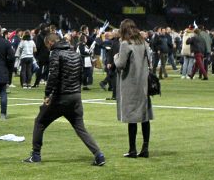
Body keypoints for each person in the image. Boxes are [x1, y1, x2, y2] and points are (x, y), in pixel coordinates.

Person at [23, 32, 105, 166]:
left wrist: (47, 94)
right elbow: (80, 75)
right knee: (80, 128)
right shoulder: (75, 53)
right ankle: (99, 155)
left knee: (39, 122)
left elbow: (53, 75)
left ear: (50, 43)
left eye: (47, 45)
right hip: (76, 97)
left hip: (61, 97)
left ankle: (36, 155)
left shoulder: (55, 54)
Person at [113, 19, 154, 158]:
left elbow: (120, 64)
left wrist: (115, 57)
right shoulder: (143, 42)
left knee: (132, 118)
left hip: (130, 84)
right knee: (144, 116)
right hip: (143, 84)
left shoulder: (125, 44)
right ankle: (145, 148)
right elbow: (151, 61)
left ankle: (132, 150)